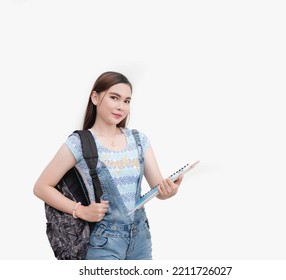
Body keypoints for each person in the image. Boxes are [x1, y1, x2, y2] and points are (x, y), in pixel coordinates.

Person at [33, 71, 183, 260]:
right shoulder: (79, 143)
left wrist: (169, 191)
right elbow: (41, 187)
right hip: (104, 241)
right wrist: (80, 211)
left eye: (127, 101)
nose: (121, 106)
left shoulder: (139, 140)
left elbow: (158, 189)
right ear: (95, 97)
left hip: (140, 238)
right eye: (114, 98)